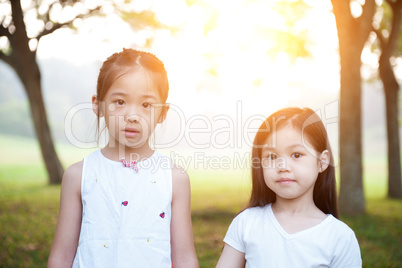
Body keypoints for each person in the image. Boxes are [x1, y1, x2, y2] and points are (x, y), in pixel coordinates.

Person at [47, 49, 199, 268]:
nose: (132, 115)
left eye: (146, 105)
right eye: (119, 102)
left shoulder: (175, 178)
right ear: (98, 105)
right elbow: (61, 257)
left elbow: (184, 258)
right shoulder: (78, 176)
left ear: (163, 113)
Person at [216, 107, 362, 268]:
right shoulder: (246, 223)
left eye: (296, 155)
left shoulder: (340, 237)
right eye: (272, 156)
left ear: (322, 161)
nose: (282, 166)